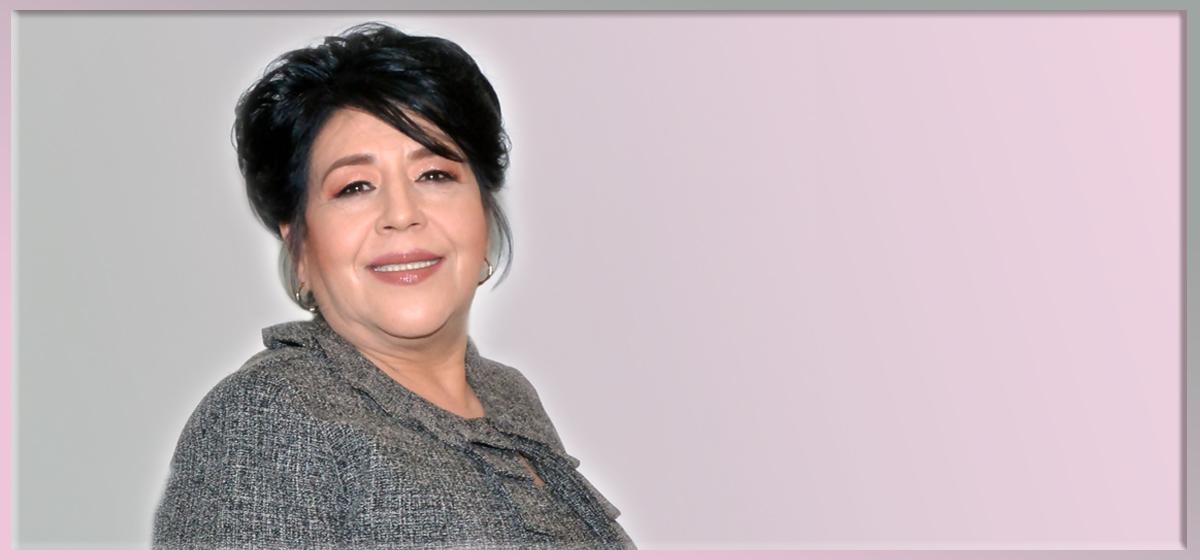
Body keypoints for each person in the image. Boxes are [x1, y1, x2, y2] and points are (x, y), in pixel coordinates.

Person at [151, 22, 634, 550]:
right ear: (300, 247)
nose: (401, 214)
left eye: (435, 175)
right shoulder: (264, 416)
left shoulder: (507, 395)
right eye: (354, 187)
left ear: (483, 213)